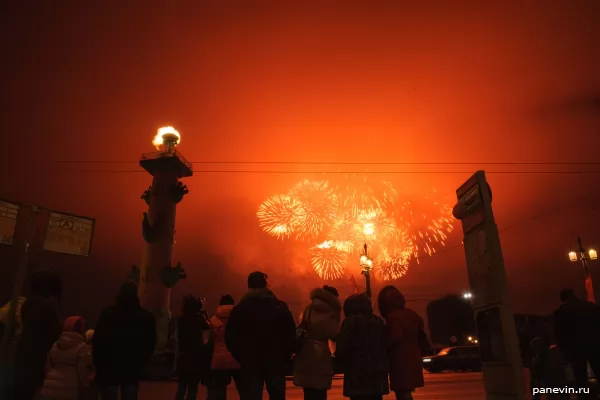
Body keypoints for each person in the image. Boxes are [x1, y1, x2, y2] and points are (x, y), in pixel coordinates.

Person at [225, 271, 296, 400]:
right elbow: (290, 334)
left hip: (250, 362)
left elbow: (230, 337)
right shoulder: (279, 307)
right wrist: (283, 356)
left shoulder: (240, 309)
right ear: (266, 285)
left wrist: (241, 356)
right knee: (277, 396)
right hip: (275, 361)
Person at [93, 280, 156, 400]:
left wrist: (98, 363)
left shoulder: (107, 314)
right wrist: (141, 362)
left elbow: (98, 341)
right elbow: (150, 344)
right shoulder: (146, 318)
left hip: (108, 368)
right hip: (132, 368)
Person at [14, 268, 63, 400]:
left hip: (23, 354)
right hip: (39, 359)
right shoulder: (48, 306)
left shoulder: (29, 303)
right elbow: (54, 332)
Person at [336, 294, 388, 400]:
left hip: (356, 374)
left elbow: (342, 347)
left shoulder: (350, 323)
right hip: (377, 374)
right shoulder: (378, 321)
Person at [293, 286, 341, 400]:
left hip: (306, 351)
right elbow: (333, 333)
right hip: (321, 354)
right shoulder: (331, 312)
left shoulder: (309, 308)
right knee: (320, 391)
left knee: (308, 390)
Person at [378, 286, 426, 400]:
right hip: (414, 355)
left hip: (400, 358)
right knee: (407, 390)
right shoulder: (412, 314)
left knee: (402, 391)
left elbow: (396, 336)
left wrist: (385, 346)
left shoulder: (393, 317)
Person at [553, 288, 600, 397]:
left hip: (576, 350)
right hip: (595, 346)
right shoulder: (592, 308)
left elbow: (559, 333)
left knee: (581, 379)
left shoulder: (562, 312)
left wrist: (564, 351)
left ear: (564, 299)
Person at [40, 316, 95, 400]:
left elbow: (48, 365)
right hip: (70, 387)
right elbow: (82, 370)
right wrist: (85, 385)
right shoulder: (82, 347)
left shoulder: (55, 345)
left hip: (50, 387)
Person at [175, 295, 212, 400]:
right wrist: (204, 311)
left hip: (183, 357)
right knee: (192, 389)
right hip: (196, 359)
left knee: (181, 387)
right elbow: (209, 326)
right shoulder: (200, 320)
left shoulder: (181, 320)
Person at [206, 294, 242, 400]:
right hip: (237, 358)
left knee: (219, 392)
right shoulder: (240, 318)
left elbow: (209, 341)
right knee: (244, 391)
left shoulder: (213, 319)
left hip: (219, 360)